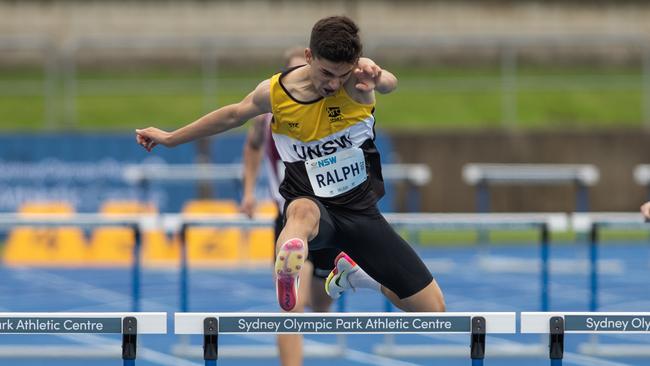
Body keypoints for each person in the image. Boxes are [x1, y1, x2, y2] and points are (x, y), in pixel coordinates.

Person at [136, 15, 445, 319]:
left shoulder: (358, 80)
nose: (333, 84)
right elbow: (232, 115)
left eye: (342, 74)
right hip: (308, 201)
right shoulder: (277, 93)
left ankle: (356, 278)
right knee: (301, 214)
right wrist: (171, 138)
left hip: (360, 211)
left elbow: (390, 84)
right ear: (309, 57)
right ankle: (288, 264)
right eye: (326, 73)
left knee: (433, 308)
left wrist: (378, 76)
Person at [239, 47, 356, 366]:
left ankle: (335, 279)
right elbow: (251, 148)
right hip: (291, 217)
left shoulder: (333, 109)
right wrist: (248, 191)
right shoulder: (268, 115)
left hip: (331, 219)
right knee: (292, 306)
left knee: (320, 306)